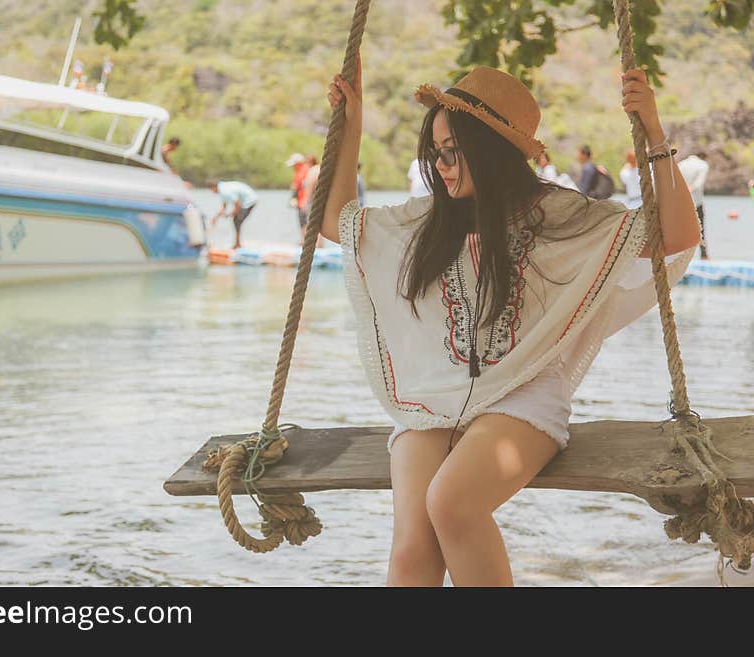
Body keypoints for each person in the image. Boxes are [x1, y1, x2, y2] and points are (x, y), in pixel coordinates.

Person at [323, 56, 699, 586]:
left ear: (491, 150)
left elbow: (678, 237)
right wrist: (352, 122)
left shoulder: (561, 217)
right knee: (411, 551)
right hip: (434, 395)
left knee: (451, 503)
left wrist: (654, 133)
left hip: (522, 395)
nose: (442, 165)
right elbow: (338, 221)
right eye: (435, 153)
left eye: (453, 151)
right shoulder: (427, 220)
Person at [207, 179, 258, 249]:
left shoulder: (225, 191)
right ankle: (237, 243)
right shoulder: (222, 189)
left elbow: (238, 205)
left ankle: (237, 244)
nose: (212, 192)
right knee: (236, 220)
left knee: (237, 221)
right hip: (245, 201)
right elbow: (224, 207)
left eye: (211, 190)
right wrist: (215, 218)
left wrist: (230, 214)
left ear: (214, 187)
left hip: (250, 200)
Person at [678, 151, 710, 259]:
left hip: (682, 202)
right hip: (696, 202)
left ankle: (680, 256)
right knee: (701, 230)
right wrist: (690, 189)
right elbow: (699, 183)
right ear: (703, 156)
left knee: (682, 230)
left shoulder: (681, 164)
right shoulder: (703, 165)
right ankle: (704, 255)